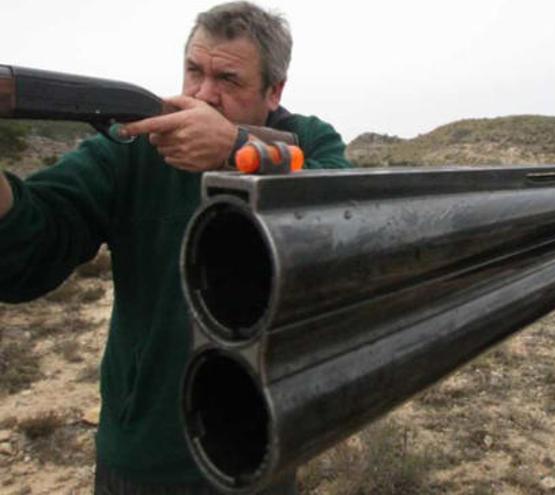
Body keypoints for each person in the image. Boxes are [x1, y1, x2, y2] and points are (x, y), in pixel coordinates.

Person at [0, 1, 350, 492]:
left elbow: (341, 213)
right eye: (194, 71)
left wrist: (235, 151)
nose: (203, 93)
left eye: (228, 80)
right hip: (145, 453)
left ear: (274, 91)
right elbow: (35, 245)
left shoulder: (310, 139)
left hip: (262, 440)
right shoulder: (133, 147)